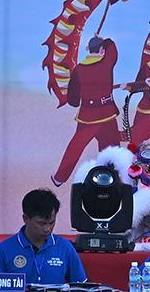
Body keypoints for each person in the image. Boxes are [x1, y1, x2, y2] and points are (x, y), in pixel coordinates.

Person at [52, 35, 121, 186]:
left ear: (88, 49)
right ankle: (113, 179)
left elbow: (73, 101)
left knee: (76, 147)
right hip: (107, 113)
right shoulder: (107, 62)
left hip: (88, 115)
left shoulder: (79, 69)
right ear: (102, 50)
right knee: (111, 148)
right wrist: (103, 40)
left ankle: (59, 177)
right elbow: (112, 46)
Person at [0, 189, 87, 284]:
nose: (47, 229)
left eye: (51, 223)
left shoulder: (65, 247)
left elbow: (80, 286)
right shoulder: (3, 250)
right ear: (25, 219)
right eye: (41, 223)